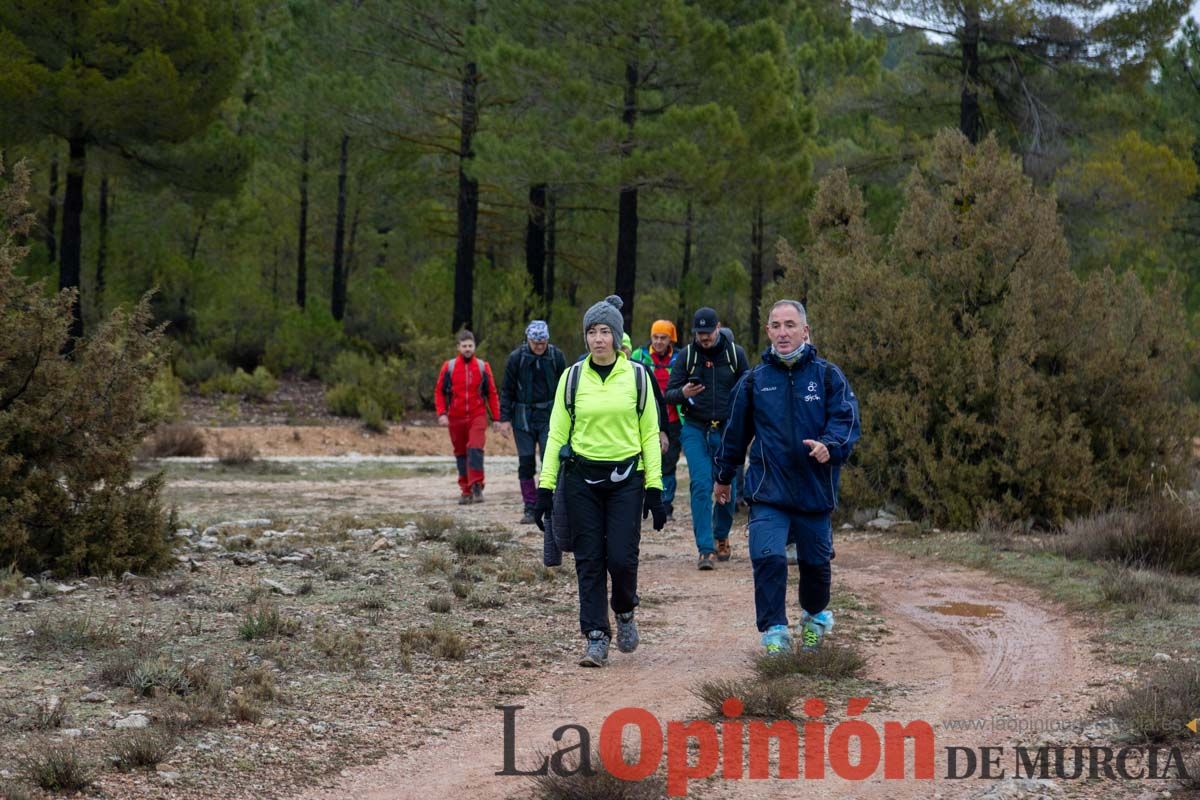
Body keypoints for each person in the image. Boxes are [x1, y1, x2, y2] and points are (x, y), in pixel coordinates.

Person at [714, 299, 860, 654]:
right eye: (776, 325)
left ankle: (814, 621)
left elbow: (847, 420)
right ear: (768, 332)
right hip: (769, 490)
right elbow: (735, 433)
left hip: (814, 490)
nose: (783, 332)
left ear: (805, 330)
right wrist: (724, 475)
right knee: (768, 557)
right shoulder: (755, 381)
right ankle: (775, 633)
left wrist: (831, 445)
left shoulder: (828, 376)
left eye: (790, 325)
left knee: (815, 568)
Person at [533, 295, 666, 667]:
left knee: (621, 558)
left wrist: (655, 489)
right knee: (589, 560)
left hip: (626, 480)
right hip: (580, 481)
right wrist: (545, 489)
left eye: (605, 331)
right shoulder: (572, 378)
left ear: (617, 336)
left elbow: (650, 436)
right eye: (592, 332)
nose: (598, 339)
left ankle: (624, 611)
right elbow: (557, 434)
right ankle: (595, 636)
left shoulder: (638, 378)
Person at [663, 307, 748, 569]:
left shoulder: (735, 354)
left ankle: (721, 535)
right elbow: (668, 393)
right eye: (699, 333)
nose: (704, 338)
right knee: (700, 484)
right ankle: (705, 548)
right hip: (695, 427)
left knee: (727, 487)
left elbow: (749, 388)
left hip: (726, 430)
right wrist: (684, 392)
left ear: (718, 327)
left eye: (708, 332)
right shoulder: (687, 356)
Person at [497, 321, 568, 524]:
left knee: (551, 460)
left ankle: (551, 504)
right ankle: (529, 506)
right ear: (528, 339)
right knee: (526, 462)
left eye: (543, 342)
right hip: (523, 418)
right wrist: (504, 419)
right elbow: (507, 390)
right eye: (536, 342)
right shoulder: (516, 358)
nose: (539, 346)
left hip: (550, 416)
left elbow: (566, 386)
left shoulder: (556, 356)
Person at [435, 330, 502, 504]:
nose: (467, 349)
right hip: (455, 417)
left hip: (477, 415)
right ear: (458, 347)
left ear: (474, 347)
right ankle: (465, 490)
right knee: (460, 453)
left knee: (475, 447)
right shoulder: (448, 367)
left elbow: (492, 393)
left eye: (470, 346)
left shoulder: (482, 366)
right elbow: (439, 392)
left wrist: (496, 418)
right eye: (464, 346)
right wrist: (442, 413)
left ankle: (477, 485)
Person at [632, 320, 682, 521]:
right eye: (655, 337)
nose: (659, 341)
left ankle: (666, 504)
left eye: (664, 338)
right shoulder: (639, 356)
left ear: (671, 339)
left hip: (673, 418)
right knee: (642, 460)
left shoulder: (679, 358)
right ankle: (641, 500)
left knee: (669, 463)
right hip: (645, 418)